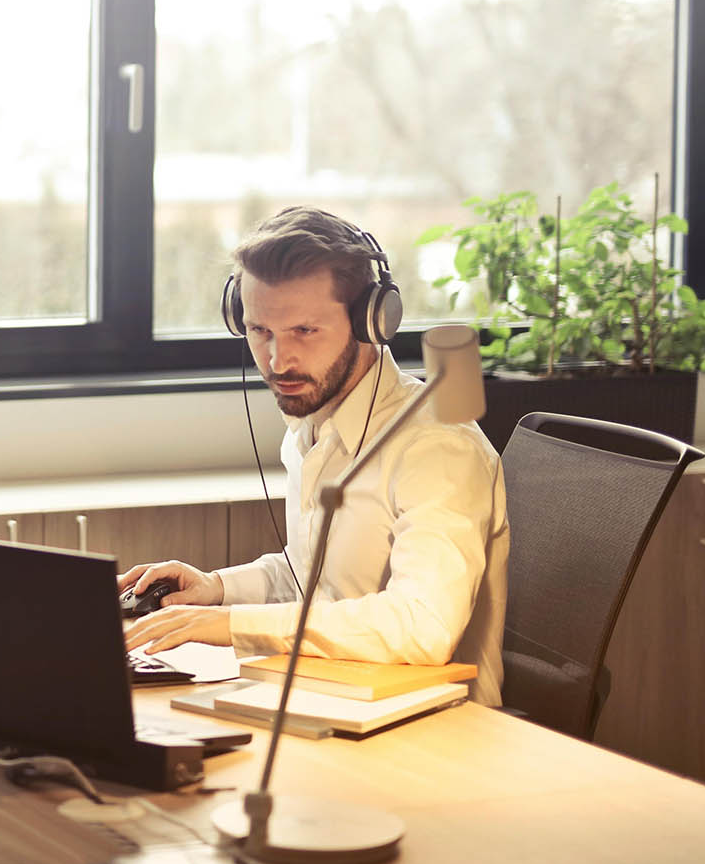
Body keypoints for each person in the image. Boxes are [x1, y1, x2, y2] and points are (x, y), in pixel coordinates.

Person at [121, 207, 509, 705]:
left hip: (437, 729)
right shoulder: (311, 425)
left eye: (304, 331)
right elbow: (315, 580)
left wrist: (231, 624)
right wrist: (216, 589)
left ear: (372, 321)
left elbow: (423, 627)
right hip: (331, 696)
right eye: (260, 331)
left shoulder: (438, 447)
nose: (278, 362)